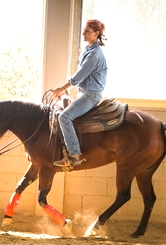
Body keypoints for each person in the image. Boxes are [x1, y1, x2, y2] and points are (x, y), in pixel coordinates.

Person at [52, 19, 107, 167]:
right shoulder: (89, 49)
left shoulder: (94, 55)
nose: (84, 33)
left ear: (96, 34)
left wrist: (62, 89)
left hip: (90, 95)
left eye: (87, 32)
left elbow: (79, 76)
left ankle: (74, 155)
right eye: (84, 31)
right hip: (84, 93)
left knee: (64, 117)